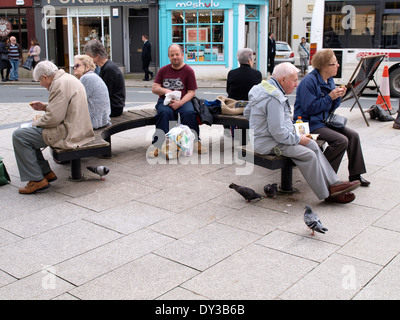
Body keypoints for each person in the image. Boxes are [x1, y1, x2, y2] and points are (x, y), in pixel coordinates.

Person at [244, 62, 360, 203]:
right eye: (294, 80)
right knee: (308, 154)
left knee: (312, 144)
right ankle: (327, 194)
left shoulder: (262, 87)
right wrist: (298, 139)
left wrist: (262, 126)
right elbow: (278, 133)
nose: (296, 84)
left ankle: (335, 184)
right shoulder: (273, 97)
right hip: (268, 144)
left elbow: (247, 113)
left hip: (264, 139)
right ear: (283, 79)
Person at [12, 61, 95, 194]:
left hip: (69, 133)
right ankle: (45, 173)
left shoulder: (59, 85)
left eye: (40, 81)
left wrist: (34, 123)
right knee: (28, 134)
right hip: (77, 128)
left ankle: (36, 180)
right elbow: (63, 108)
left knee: (19, 136)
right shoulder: (67, 78)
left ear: (45, 77)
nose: (41, 84)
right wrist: (45, 107)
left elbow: (53, 119)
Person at [294, 49, 370, 187]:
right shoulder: (309, 82)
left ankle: (356, 174)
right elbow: (309, 109)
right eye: (334, 63)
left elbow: (330, 107)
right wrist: (330, 97)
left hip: (323, 120)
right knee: (341, 141)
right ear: (324, 66)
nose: (338, 65)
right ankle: (324, 175)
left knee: (353, 135)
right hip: (308, 123)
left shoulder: (329, 80)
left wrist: (337, 97)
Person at [149, 44, 206, 159]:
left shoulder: (188, 71)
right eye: (172, 55)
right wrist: (167, 91)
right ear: (169, 57)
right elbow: (154, 88)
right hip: (165, 101)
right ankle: (158, 145)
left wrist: (179, 103)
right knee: (163, 113)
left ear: (182, 55)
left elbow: (191, 92)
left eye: (177, 54)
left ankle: (195, 141)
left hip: (183, 101)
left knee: (189, 113)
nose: (175, 57)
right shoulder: (163, 70)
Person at [83, 39, 126, 117]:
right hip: (113, 107)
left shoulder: (109, 69)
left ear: (97, 56)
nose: (88, 60)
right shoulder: (106, 67)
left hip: (114, 109)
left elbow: (104, 95)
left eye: (89, 57)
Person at [73, 54, 111, 129]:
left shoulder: (86, 78)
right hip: (102, 120)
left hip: (93, 123)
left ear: (87, 67)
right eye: (73, 66)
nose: (74, 68)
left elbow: (75, 102)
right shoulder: (93, 76)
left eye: (77, 65)